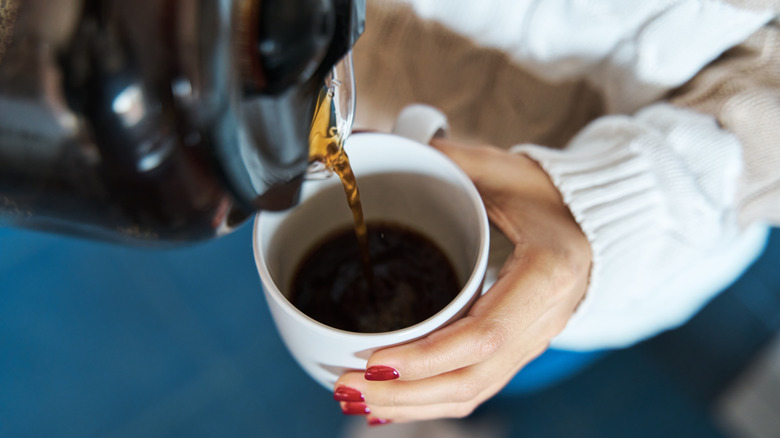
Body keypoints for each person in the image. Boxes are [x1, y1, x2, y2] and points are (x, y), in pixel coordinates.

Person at [332, 0, 780, 426]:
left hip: (630, 251)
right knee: (461, 367)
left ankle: (436, 414)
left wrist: (615, 205)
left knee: (514, 360)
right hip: (358, 106)